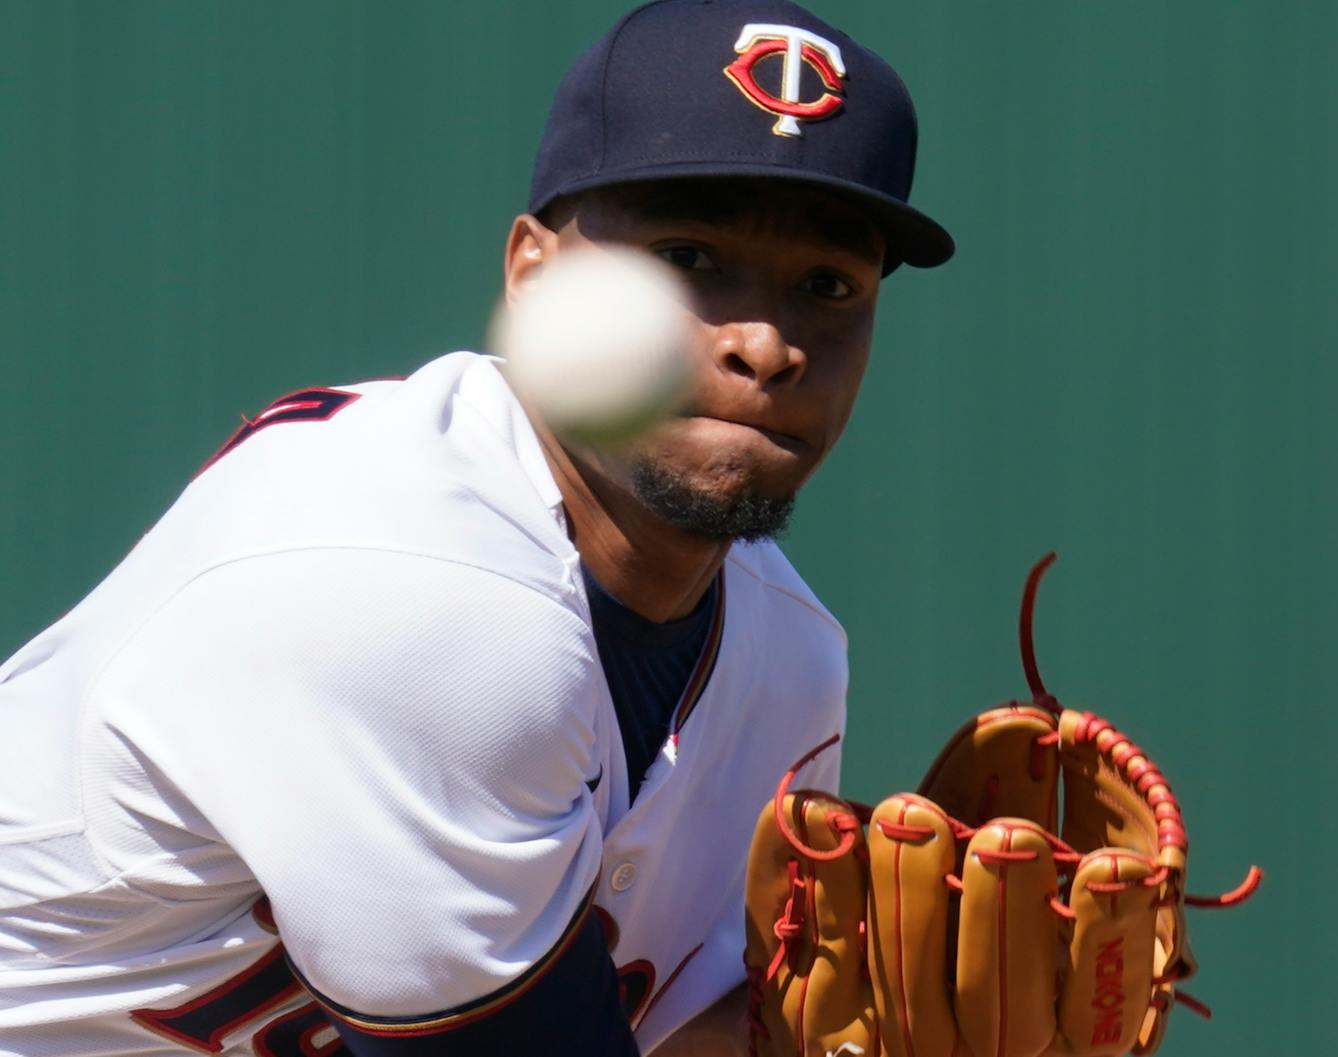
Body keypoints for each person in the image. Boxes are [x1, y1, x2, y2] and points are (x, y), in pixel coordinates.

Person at [0, 0, 952, 1053]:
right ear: (533, 275)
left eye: (826, 285)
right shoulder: (404, 580)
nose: (765, 342)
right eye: (687, 257)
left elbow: (669, 1032)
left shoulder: (789, 656)